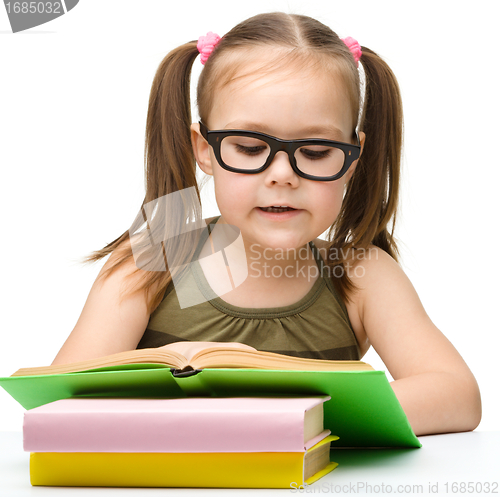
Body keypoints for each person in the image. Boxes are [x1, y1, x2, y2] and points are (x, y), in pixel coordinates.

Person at [51, 12, 481, 436]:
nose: (282, 175)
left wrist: (276, 419)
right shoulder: (152, 261)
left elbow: (457, 396)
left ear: (352, 158)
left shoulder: (362, 275)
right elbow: (55, 405)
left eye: (315, 151)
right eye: (250, 147)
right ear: (204, 149)